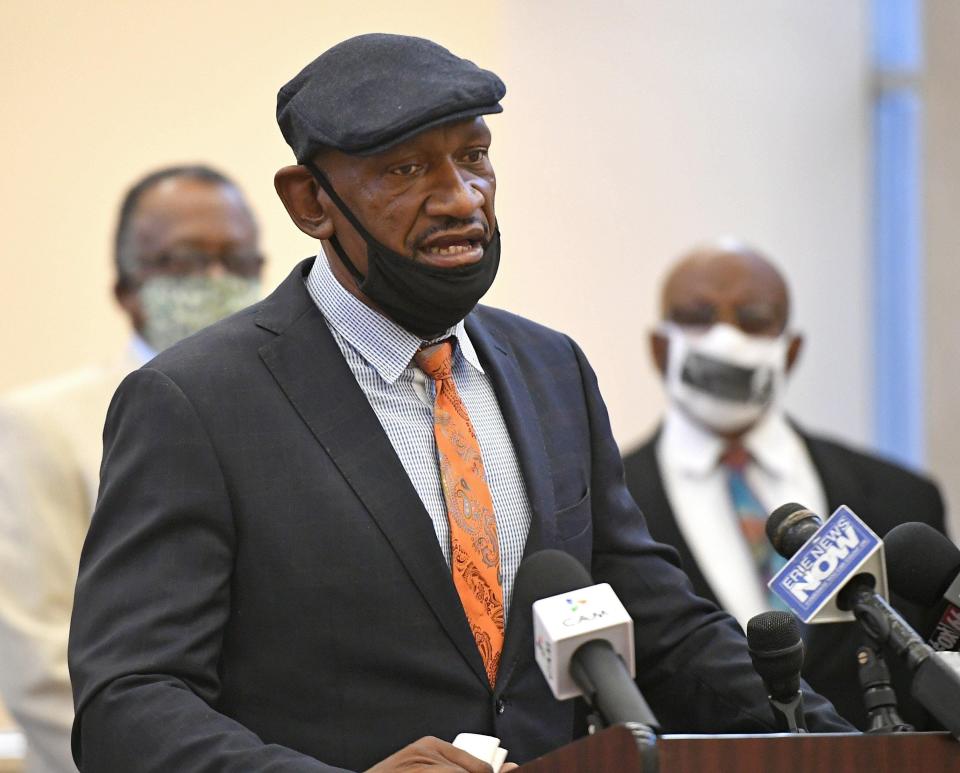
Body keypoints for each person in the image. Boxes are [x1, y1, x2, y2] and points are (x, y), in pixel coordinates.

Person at [68, 35, 853, 773]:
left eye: (474, 158)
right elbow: (129, 699)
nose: (458, 198)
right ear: (310, 202)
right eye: (405, 171)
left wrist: (855, 747)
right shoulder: (194, 401)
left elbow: (664, 626)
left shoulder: (551, 371)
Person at [0, 165, 264, 772]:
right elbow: (43, 666)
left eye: (240, 260)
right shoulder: (43, 425)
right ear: (126, 287)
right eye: (187, 261)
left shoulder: (289, 414)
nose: (218, 280)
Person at [620, 239, 945, 730]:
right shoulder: (605, 508)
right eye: (697, 316)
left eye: (753, 318)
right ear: (658, 347)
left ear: (791, 350)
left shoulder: (901, 498)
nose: (724, 338)